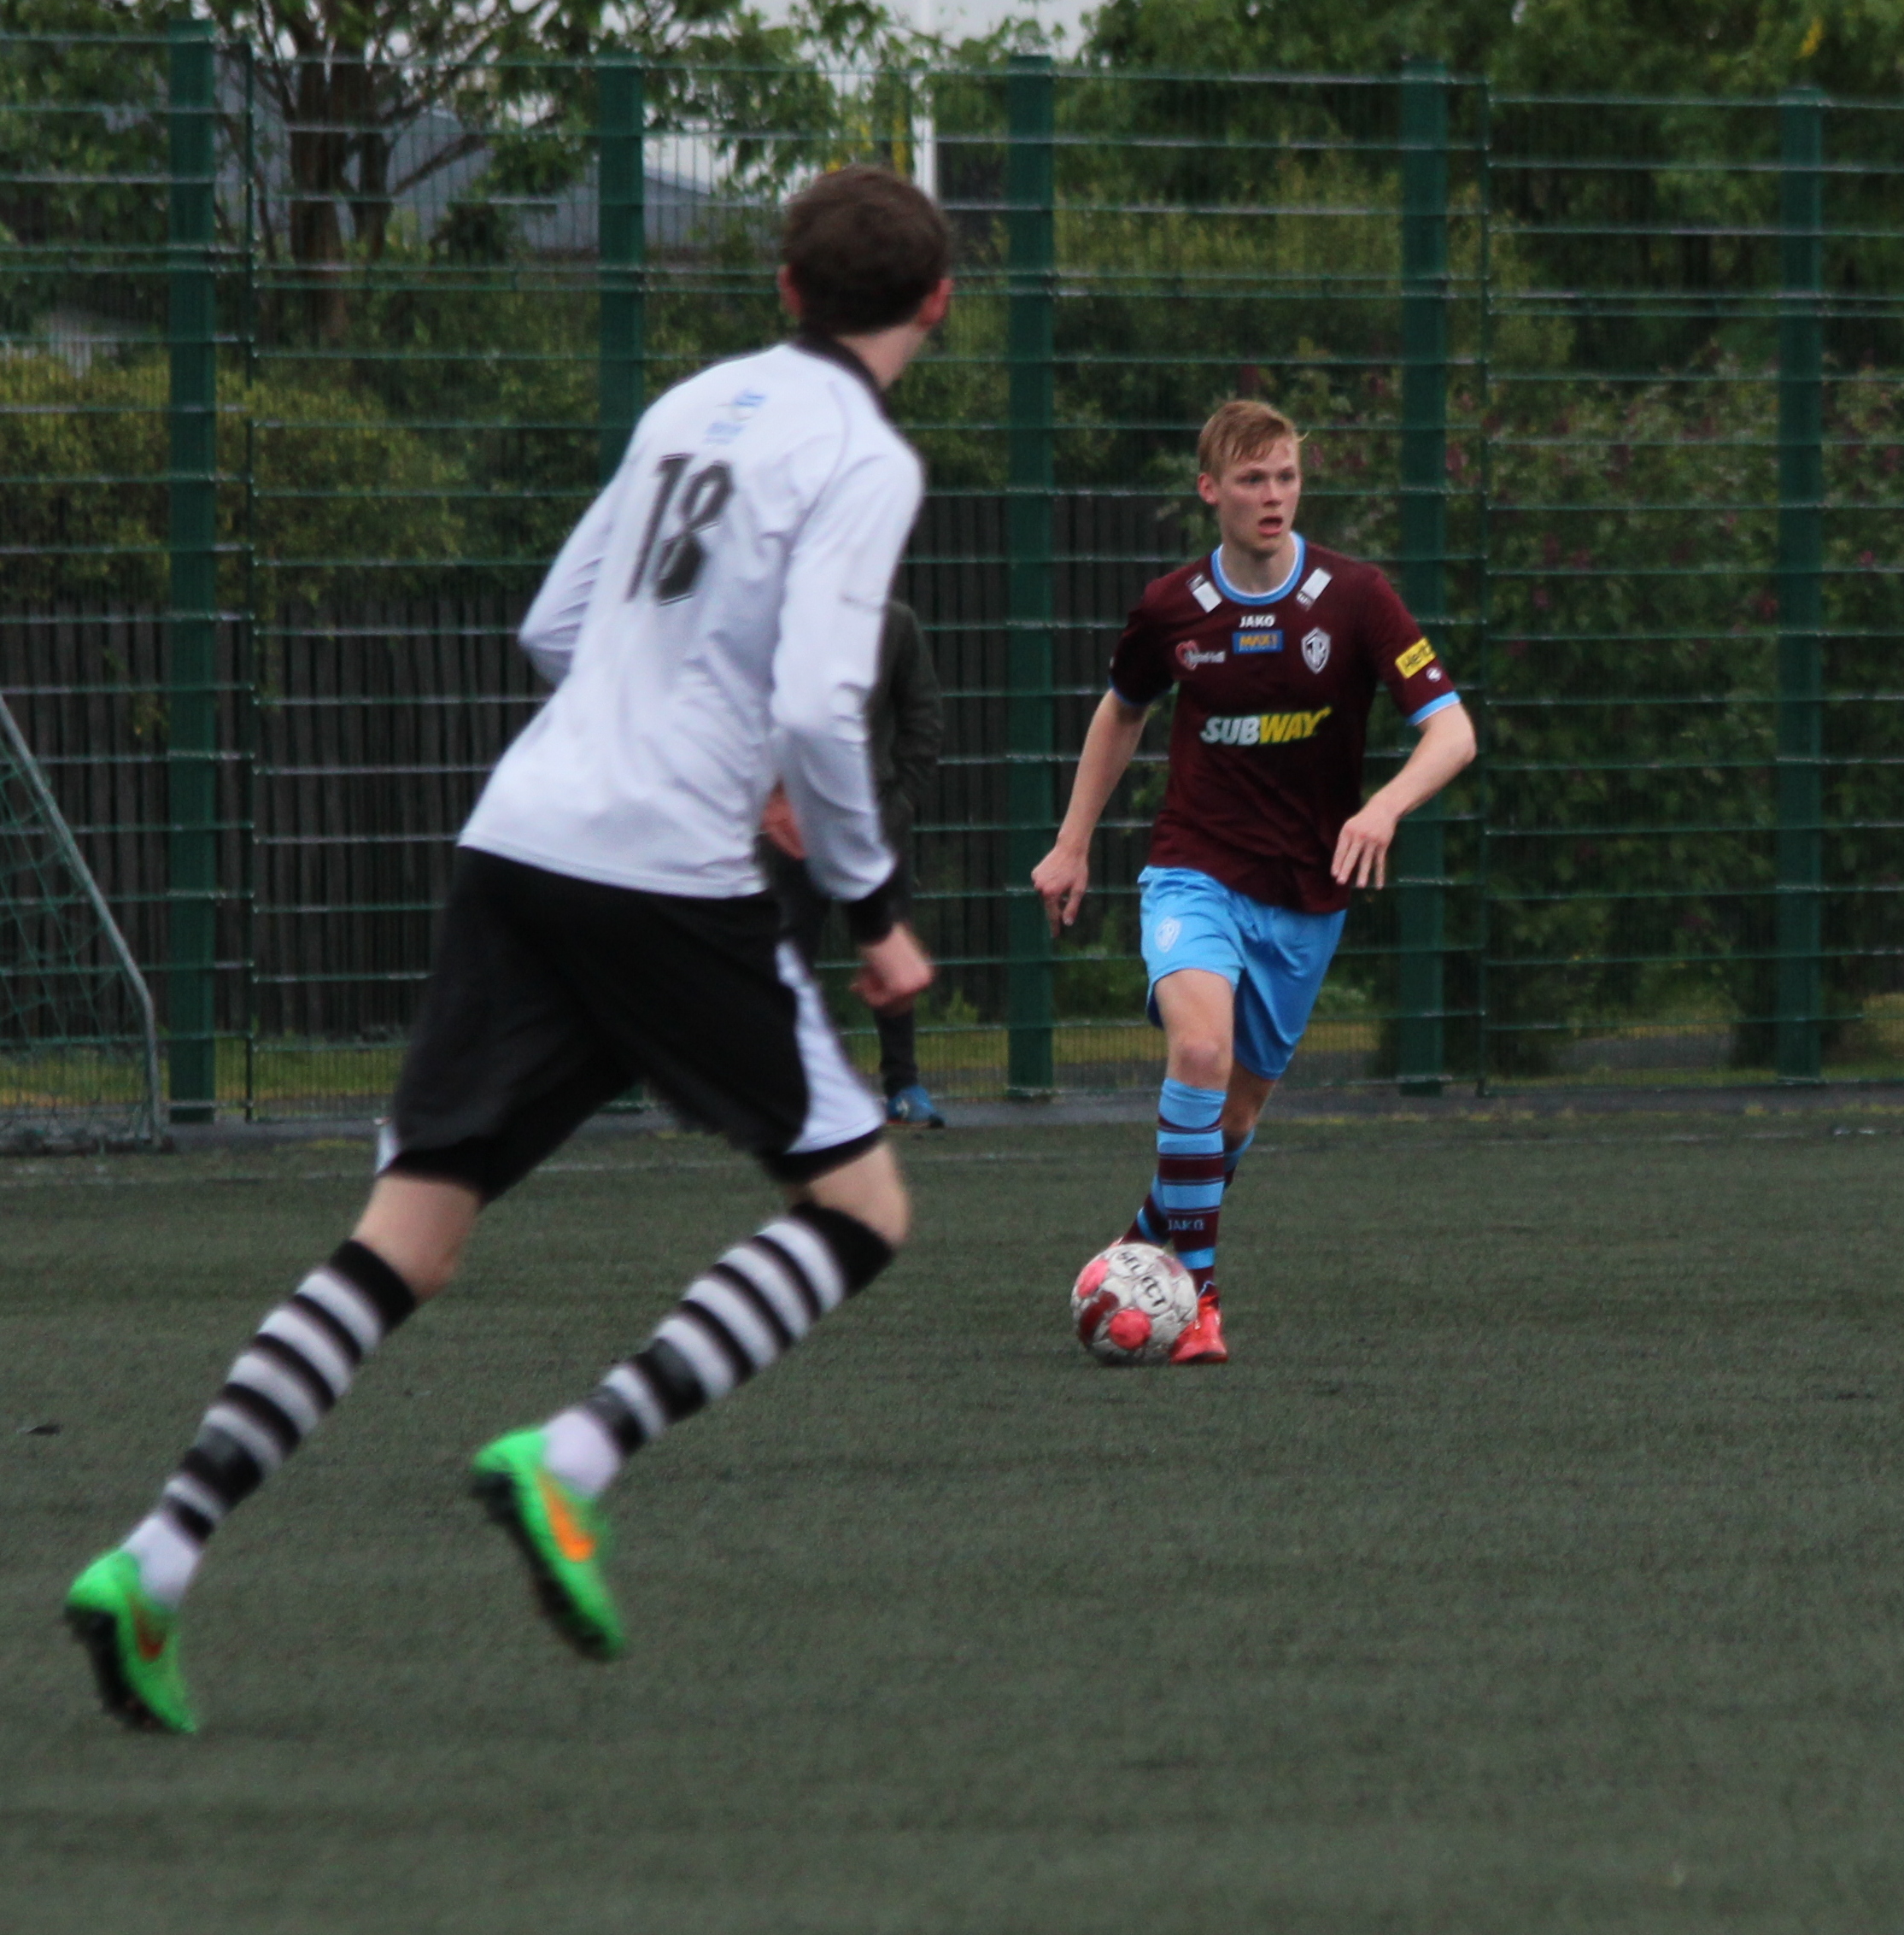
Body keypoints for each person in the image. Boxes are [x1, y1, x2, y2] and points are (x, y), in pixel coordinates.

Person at [63, 165, 951, 1733]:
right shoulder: (864, 454)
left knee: (406, 1236)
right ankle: (578, 1452)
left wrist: (643, 711)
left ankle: (158, 1554)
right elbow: (822, 705)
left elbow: (553, 625)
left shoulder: (692, 402)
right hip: (670, 870)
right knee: (860, 1204)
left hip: (522, 835)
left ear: (785, 289)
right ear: (936, 304)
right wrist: (874, 914)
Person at [1031, 399, 1475, 1362]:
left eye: (1285, 477)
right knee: (1199, 1051)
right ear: (1211, 490)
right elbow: (1121, 711)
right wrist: (1071, 845)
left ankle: (1139, 1251)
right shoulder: (1172, 607)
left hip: (1307, 897)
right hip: (1194, 871)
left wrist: (1384, 806)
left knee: (1230, 1122)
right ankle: (1199, 1300)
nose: (1272, 496)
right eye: (1251, 479)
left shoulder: (1356, 597)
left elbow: (1452, 731)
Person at [761, 596, 947, 1127]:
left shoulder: (895, 624)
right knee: (787, 954)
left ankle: (903, 1085)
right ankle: (788, 1085)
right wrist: (775, 797)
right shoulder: (778, 619)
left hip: (873, 825)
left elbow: (924, 721)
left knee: (890, 950)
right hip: (794, 829)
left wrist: (896, 809)